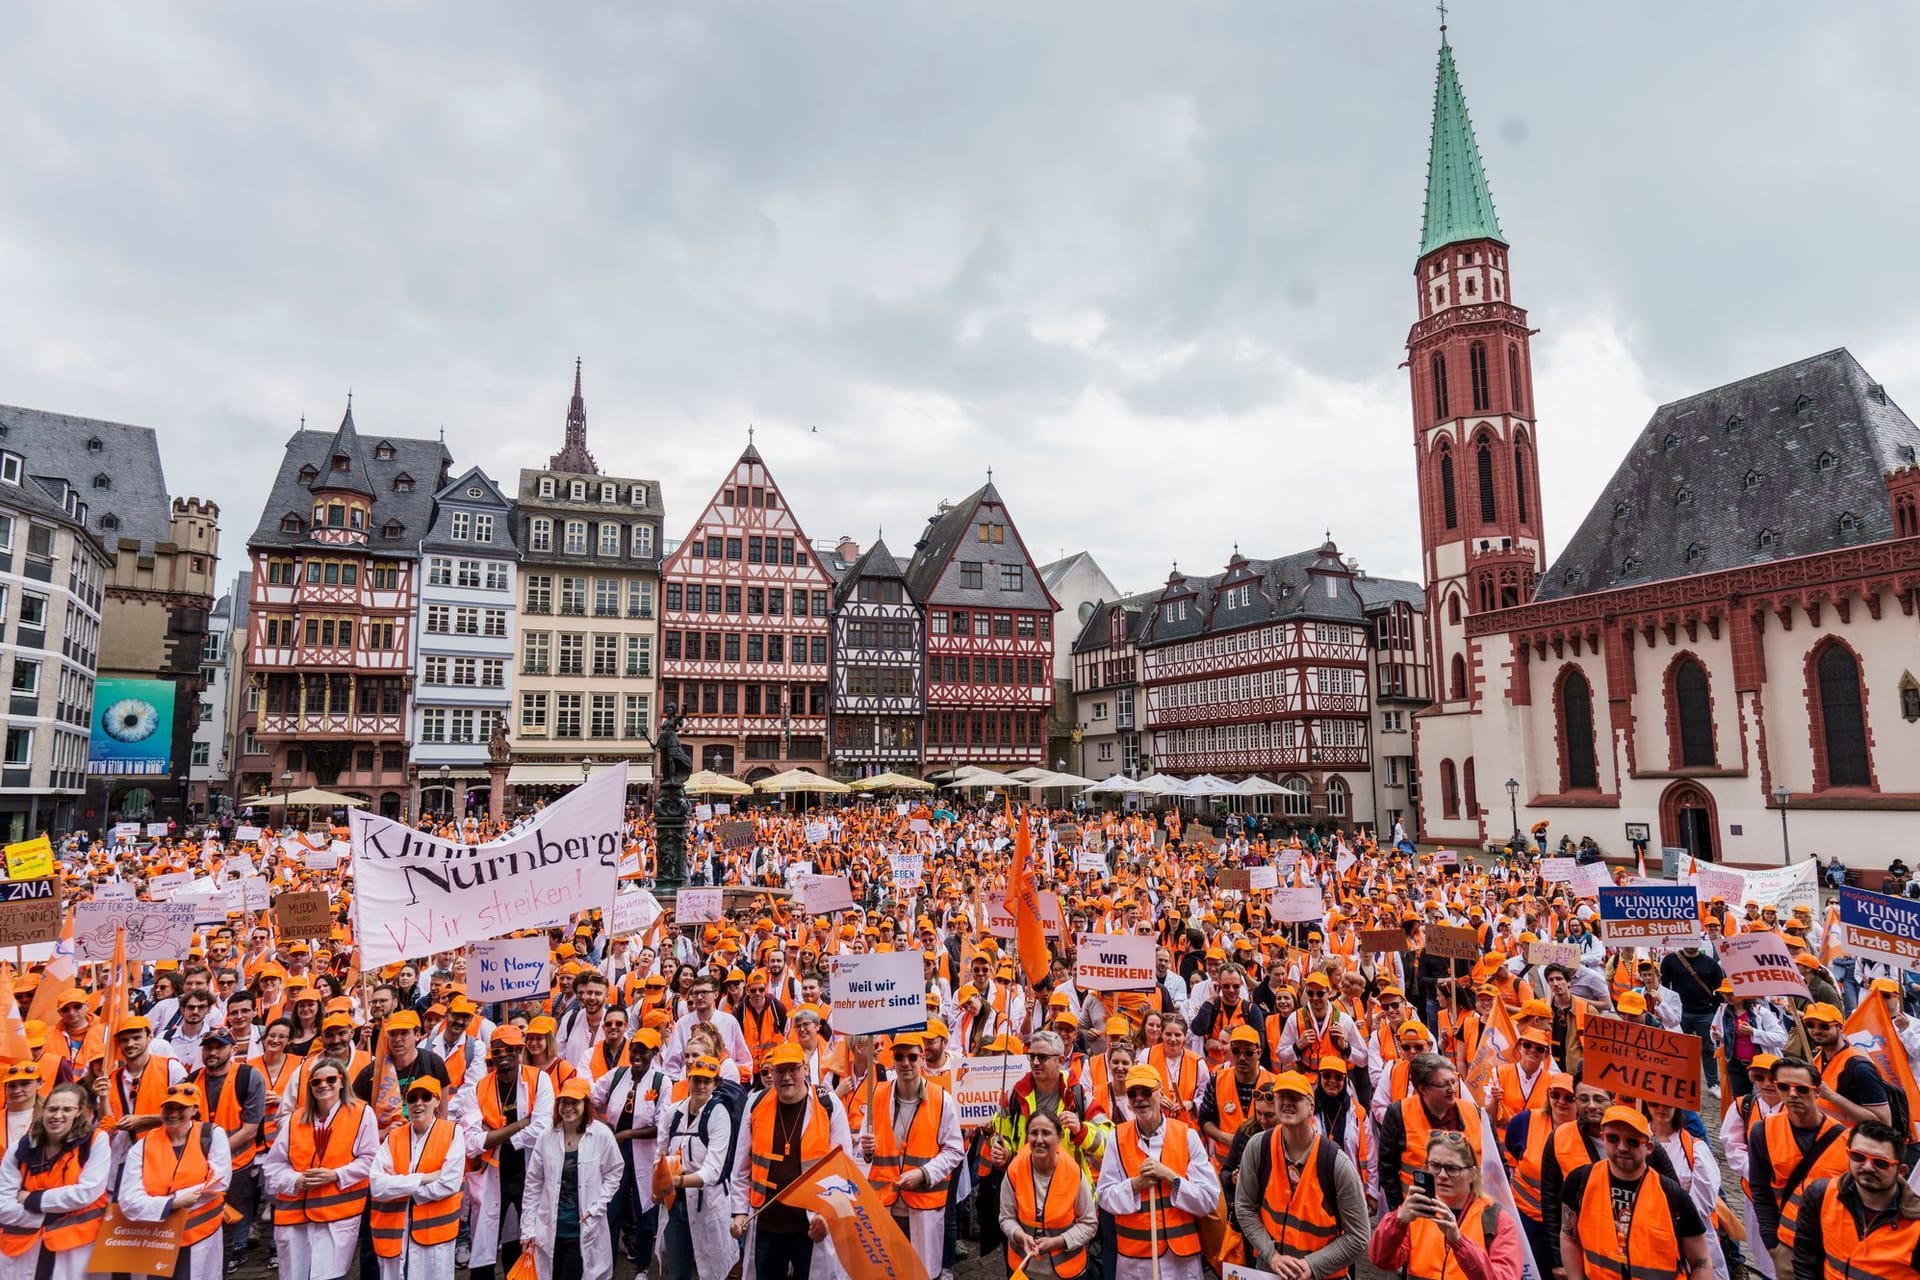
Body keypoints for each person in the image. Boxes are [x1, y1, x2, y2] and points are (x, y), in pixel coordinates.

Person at [728, 1041, 853, 1280]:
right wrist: (738, 1213)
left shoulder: (828, 1105)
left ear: (805, 1069)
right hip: (766, 1224)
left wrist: (827, 1217)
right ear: (771, 1073)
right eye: (780, 1071)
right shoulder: (755, 1104)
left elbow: (843, 1167)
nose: (787, 1077)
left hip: (810, 1227)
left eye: (793, 1069)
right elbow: (741, 1167)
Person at [1234, 1070, 1371, 1280]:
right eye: (1281, 1096)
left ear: (1311, 1107)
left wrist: (1311, 1265)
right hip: (1269, 1272)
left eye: (1296, 1097)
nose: (1287, 1102)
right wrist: (1272, 1256)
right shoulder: (1258, 1147)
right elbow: (1244, 1207)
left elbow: (1359, 1237)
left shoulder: (1335, 1163)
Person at [1093, 1063, 1221, 1280]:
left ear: (1160, 1092)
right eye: (1132, 1094)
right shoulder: (1116, 1138)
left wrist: (1170, 1177)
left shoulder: (1186, 1136)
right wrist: (1135, 1185)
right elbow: (1104, 1197)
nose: (1139, 1098)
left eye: (1146, 1092)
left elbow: (1209, 1199)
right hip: (1135, 1263)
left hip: (1181, 1263)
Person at [1558, 1104, 1712, 1280]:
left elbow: (1701, 1262)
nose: (1622, 1147)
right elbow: (1569, 1238)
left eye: (1632, 1141)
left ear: (1649, 1148)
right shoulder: (1579, 1182)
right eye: (1613, 1138)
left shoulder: (1673, 1196)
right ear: (1603, 1138)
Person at [262, 1053, 378, 1280]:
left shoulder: (362, 1113)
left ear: (342, 1081)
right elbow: (273, 1166)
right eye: (316, 1082)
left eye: (331, 1080)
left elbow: (370, 1160)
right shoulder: (295, 1119)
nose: (324, 1085)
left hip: (335, 1218)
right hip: (294, 1220)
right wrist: (296, 1180)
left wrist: (335, 1175)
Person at [859, 1030, 962, 1280]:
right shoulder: (877, 1095)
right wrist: (866, 1150)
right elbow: (862, 1152)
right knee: (887, 1272)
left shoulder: (942, 1099)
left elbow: (954, 1150)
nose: (906, 1063)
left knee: (920, 1273)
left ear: (922, 1058)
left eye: (912, 1057)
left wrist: (924, 1173)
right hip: (886, 1206)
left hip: (923, 1206)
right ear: (892, 1059)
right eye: (900, 1056)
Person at [1368, 1130, 1525, 1280]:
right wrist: (1397, 1221)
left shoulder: (1496, 1220)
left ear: (1473, 1174)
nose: (1442, 1175)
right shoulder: (1416, 1213)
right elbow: (1381, 1260)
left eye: (1452, 1169)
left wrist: (1458, 1242)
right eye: (1435, 1166)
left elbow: (1506, 1276)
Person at [119, 1083, 233, 1280]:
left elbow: (220, 1182)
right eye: (169, 1108)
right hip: (157, 1239)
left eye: (181, 1108)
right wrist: (174, 1202)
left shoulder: (211, 1134)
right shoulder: (143, 1146)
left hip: (200, 1234)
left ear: (195, 1109)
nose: (173, 1113)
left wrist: (162, 1201)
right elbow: (128, 1201)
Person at [1751, 1056, 1851, 1276]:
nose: (1792, 1094)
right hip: (1788, 1245)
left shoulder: (1847, 1140)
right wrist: (1771, 1242)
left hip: (1835, 1246)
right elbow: (1760, 1189)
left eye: (1802, 1089)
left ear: (1817, 1092)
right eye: (1784, 1087)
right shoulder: (1763, 1131)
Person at [468, 1024, 554, 1280]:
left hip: (528, 1173)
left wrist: (494, 1135)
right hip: (491, 1175)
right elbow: (472, 1140)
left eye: (510, 1048)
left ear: (519, 1050)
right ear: (491, 1053)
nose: (503, 1054)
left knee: (525, 1241)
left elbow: (541, 1128)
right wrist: (519, 1124)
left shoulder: (539, 1079)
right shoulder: (479, 1087)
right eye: (497, 1049)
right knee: (482, 1248)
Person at [0, 1082, 111, 1280]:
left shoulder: (95, 1141)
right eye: (52, 1109)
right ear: (43, 1110)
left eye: (67, 1109)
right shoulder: (21, 1147)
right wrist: (48, 1216)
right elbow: (2, 1203)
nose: (58, 1115)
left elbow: (85, 1193)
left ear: (79, 1112)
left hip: (74, 1246)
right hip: (22, 1247)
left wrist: (31, 1200)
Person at [522, 1076, 624, 1280]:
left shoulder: (602, 1135)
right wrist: (527, 1229)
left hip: (582, 1227)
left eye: (574, 1102)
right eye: (564, 1102)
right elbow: (533, 1184)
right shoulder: (546, 1136)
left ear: (586, 1105)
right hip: (550, 1228)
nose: (568, 1108)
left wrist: (598, 1206)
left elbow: (615, 1172)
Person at [1792, 1119, 1920, 1280]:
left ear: (1901, 1171)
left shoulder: (1915, 1225)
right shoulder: (1822, 1195)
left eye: (1880, 1163)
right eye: (1858, 1156)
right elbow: (1806, 1258)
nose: (1867, 1167)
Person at [367, 1077, 469, 1280]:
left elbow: (448, 1184)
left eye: (425, 1097)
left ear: (437, 1101)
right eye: (413, 1098)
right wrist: (423, 1178)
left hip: (435, 1235)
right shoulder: (393, 1137)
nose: (418, 1103)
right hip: (395, 1233)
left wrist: (399, 1185)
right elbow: (377, 1185)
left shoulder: (452, 1132)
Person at [190, 1024, 266, 1269]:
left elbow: (250, 1129)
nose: (212, 1052)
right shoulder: (190, 1081)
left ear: (233, 1049)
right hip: (198, 1168)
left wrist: (214, 1154)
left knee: (225, 1225)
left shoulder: (248, 1077)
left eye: (219, 1047)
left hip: (236, 1165)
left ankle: (220, 1269)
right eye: (208, 1048)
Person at [657, 1055, 735, 1280]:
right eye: (696, 1079)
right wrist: (657, 1187)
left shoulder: (719, 1114)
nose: (701, 1085)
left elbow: (712, 1171)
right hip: (674, 1205)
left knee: (710, 1271)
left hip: (707, 1204)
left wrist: (676, 1181)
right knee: (678, 1272)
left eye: (707, 1081)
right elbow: (660, 1155)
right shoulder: (673, 1113)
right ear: (687, 1079)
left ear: (716, 1084)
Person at [1378, 1053, 1486, 1210]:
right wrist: (1399, 1212)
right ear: (1423, 1089)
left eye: (1453, 1082)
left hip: (1467, 1212)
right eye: (1444, 1085)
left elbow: (1496, 1164)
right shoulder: (1399, 1113)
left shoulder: (1474, 1112)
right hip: (1420, 1212)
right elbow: (1387, 1169)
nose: (1452, 1089)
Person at [999, 1109, 1096, 1280]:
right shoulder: (1015, 1170)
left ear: (1059, 1137)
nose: (1039, 1139)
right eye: (1033, 1133)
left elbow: (1089, 1224)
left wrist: (1058, 1242)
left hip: (1068, 1273)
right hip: (1024, 1271)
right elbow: (1006, 1218)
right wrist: (1020, 1236)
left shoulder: (1073, 1173)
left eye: (1046, 1133)